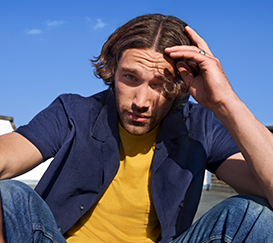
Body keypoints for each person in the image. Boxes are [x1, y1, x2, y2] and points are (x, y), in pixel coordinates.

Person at [0, 13, 273, 243]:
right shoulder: (73, 111)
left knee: (254, 214)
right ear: (113, 69)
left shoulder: (201, 126)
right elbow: (7, 157)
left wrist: (225, 102)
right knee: (8, 195)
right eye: (130, 77)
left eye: (161, 84)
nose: (141, 102)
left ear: (181, 85)